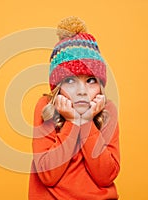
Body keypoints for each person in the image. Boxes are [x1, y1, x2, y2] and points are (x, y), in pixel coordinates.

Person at [28, 16, 120, 200]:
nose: (81, 91)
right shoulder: (47, 108)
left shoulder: (107, 110)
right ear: (58, 87)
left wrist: (86, 122)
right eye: (70, 81)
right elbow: (48, 176)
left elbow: (106, 176)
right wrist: (71, 122)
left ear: (100, 85)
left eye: (90, 81)